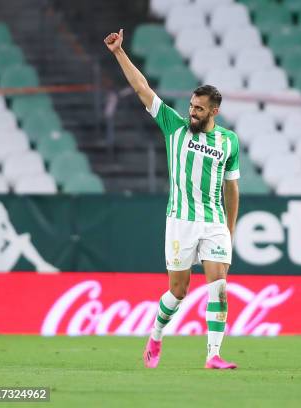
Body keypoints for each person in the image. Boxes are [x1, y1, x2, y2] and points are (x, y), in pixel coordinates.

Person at [104, 29, 240, 369]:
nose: (192, 112)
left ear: (215, 112)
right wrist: (119, 52)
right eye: (191, 106)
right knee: (178, 291)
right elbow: (142, 89)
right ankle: (156, 335)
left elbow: (231, 187)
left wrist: (229, 228)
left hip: (213, 221)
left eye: (199, 109)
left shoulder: (229, 143)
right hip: (180, 221)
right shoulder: (174, 127)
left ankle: (213, 355)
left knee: (218, 284)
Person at [0, 202, 58, 273]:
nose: (5, 212)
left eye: (4, 210)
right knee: (22, 241)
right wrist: (6, 221)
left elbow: (13, 236)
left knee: (22, 240)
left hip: (0, 264)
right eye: (2, 211)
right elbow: (14, 239)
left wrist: (6, 221)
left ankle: (42, 265)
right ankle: (42, 265)